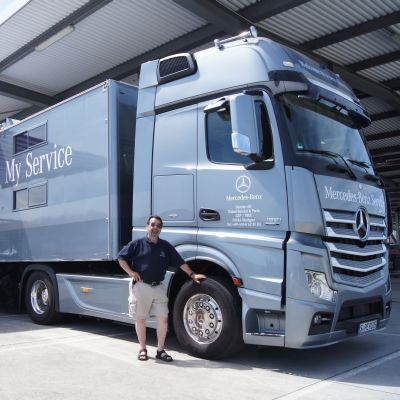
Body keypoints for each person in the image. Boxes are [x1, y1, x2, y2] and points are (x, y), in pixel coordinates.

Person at [118, 215, 207, 362]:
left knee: (163, 319)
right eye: (153, 225)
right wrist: (131, 273)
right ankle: (142, 349)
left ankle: (160, 350)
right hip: (141, 287)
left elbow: (180, 262)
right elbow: (121, 258)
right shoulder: (137, 244)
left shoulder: (165, 246)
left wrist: (192, 274)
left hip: (158, 287)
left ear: (161, 229)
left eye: (158, 225)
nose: (155, 228)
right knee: (140, 319)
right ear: (147, 226)